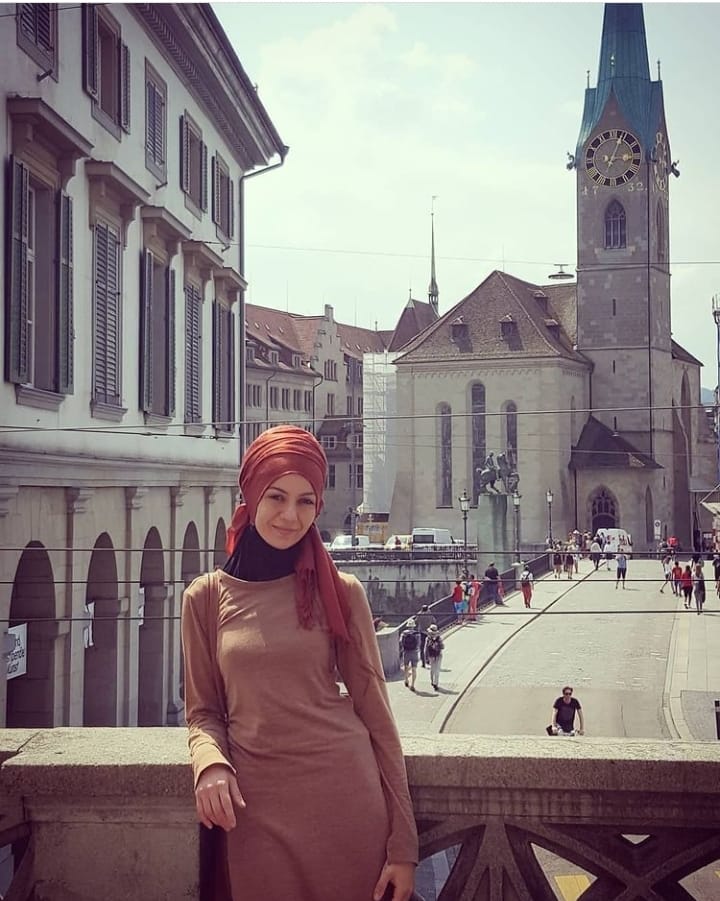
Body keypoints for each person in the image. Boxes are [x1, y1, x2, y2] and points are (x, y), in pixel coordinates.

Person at [181, 426, 417, 901]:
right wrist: (209, 764)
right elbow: (202, 713)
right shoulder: (205, 598)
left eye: (306, 501)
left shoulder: (341, 592)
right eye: (276, 497)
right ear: (251, 496)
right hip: (255, 811)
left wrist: (404, 845)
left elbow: (377, 717)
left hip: (346, 801)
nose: (290, 516)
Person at [399, 617, 421, 691]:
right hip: (414, 652)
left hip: (406, 652)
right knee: (414, 669)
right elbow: (419, 643)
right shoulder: (417, 634)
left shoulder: (404, 633)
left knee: (406, 667)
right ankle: (413, 685)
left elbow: (400, 642)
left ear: (407, 626)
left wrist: (403, 648)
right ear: (414, 626)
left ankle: (406, 680)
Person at [424, 624, 444, 692]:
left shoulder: (427, 638)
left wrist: (426, 658)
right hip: (438, 656)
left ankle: (432, 682)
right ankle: (436, 684)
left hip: (431, 656)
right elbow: (443, 647)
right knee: (437, 670)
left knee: (432, 670)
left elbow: (425, 649)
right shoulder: (439, 638)